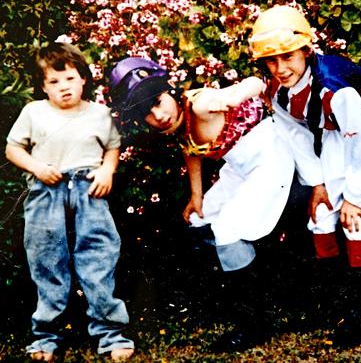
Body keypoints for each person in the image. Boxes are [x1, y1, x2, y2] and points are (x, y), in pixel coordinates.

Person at [108, 57, 294, 349]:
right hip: (239, 164)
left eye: (158, 101)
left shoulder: (202, 103)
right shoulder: (180, 119)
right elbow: (191, 147)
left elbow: (257, 83)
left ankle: (255, 321)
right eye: (147, 112)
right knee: (200, 218)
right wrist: (197, 197)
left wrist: (233, 95)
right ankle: (223, 301)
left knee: (228, 229)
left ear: (169, 90)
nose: (158, 115)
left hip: (270, 155)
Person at [248, 5, 361, 339]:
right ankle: (333, 303)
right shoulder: (278, 89)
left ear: (305, 50)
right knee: (321, 218)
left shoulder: (334, 88)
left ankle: (360, 314)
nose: (280, 68)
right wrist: (318, 182)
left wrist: (355, 197)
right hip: (333, 138)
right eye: (271, 61)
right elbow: (295, 133)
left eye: (287, 57)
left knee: (357, 222)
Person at [5, 42, 134, 362]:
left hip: (89, 192)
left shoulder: (99, 113)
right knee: (47, 262)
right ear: (42, 86)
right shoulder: (33, 112)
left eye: (70, 79)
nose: (63, 87)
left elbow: (112, 148)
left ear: (83, 79)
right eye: (54, 81)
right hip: (46, 192)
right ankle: (46, 338)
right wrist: (36, 167)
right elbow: (13, 149)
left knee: (98, 259)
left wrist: (107, 170)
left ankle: (110, 334)